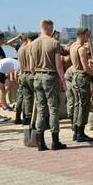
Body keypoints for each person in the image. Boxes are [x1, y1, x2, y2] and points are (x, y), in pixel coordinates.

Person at [29, 18, 68, 151]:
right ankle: (55, 141)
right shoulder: (54, 43)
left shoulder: (33, 44)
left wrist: (37, 76)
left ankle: (40, 142)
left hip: (37, 77)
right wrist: (63, 82)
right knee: (53, 109)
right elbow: (59, 65)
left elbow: (31, 66)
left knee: (41, 109)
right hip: (50, 76)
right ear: (50, 27)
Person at [69, 27, 93, 142]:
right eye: (87, 35)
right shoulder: (81, 49)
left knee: (77, 105)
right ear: (80, 35)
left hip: (75, 77)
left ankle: (76, 131)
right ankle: (80, 132)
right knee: (83, 106)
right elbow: (86, 68)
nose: (88, 37)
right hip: (81, 77)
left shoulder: (73, 46)